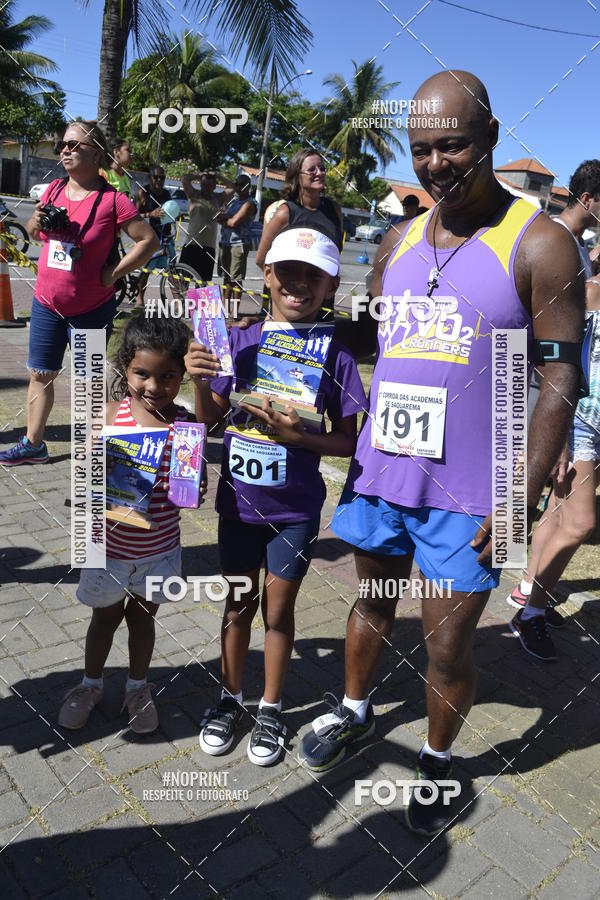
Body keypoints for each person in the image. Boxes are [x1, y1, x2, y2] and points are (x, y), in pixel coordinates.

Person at [298, 71, 585, 836]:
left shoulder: (543, 244)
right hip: (383, 470)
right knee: (371, 603)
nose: (435, 165)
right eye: (422, 149)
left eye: (452, 145)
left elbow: (561, 374)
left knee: (449, 642)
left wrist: (522, 490)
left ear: (490, 138)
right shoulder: (398, 239)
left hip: (479, 490)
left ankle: (438, 763)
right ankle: (356, 710)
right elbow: (367, 338)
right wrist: (278, 344)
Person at [186, 227, 367, 765]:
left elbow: (350, 438)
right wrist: (199, 380)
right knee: (236, 603)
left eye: (314, 275)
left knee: (278, 609)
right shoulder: (237, 341)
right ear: (267, 274)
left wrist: (300, 437)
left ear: (332, 284)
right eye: (288, 270)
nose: (299, 283)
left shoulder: (336, 354)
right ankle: (228, 698)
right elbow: (209, 420)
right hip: (237, 504)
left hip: (295, 510)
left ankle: (269, 707)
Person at [57, 316, 202, 733]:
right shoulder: (107, 418)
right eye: (142, 374)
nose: (154, 386)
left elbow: (184, 497)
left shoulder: (186, 427)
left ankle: (137, 687)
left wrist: (193, 483)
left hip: (158, 552)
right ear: (125, 368)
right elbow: (82, 480)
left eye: (168, 376)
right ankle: (90, 685)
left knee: (142, 622)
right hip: (108, 551)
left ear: (182, 377)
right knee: (103, 621)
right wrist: (92, 465)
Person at [0, 121, 158, 467]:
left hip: (91, 308)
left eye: (74, 144)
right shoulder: (54, 190)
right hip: (46, 303)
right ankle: (33, 443)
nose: (65, 150)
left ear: (96, 153)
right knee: (40, 374)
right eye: (62, 145)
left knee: (88, 382)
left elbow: (149, 241)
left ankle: (91, 446)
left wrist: (113, 275)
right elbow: (32, 231)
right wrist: (36, 221)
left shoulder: (113, 201)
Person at [508, 202, 600, 663]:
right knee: (580, 522)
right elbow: (559, 364)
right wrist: (560, 434)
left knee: (560, 513)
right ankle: (531, 613)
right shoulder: (589, 292)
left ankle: (526, 591)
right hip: (581, 417)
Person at [256, 150, 344, 269]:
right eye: (311, 170)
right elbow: (261, 259)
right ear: (297, 176)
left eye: (322, 168)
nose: (319, 173)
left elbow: (335, 254)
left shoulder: (334, 209)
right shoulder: (285, 213)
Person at [179, 170, 234, 282]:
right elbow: (185, 179)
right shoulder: (193, 195)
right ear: (200, 184)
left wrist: (218, 175)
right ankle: (181, 300)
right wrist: (200, 175)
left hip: (208, 247)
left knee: (203, 283)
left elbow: (232, 187)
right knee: (182, 280)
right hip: (192, 244)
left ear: (214, 186)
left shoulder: (218, 198)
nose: (206, 187)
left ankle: (196, 300)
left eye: (210, 185)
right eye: (204, 184)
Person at [134, 165, 175, 307]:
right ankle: (139, 298)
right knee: (146, 270)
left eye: (162, 177)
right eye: (155, 177)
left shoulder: (166, 194)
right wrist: (150, 214)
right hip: (148, 238)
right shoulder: (142, 192)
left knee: (173, 270)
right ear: (149, 178)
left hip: (166, 236)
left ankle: (177, 302)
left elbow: (171, 212)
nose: (159, 180)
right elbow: (133, 215)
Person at [216, 173, 257, 305]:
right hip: (225, 243)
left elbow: (233, 223)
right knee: (226, 279)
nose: (238, 187)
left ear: (249, 187)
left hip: (238, 245)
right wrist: (224, 217)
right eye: (236, 184)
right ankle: (225, 309)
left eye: (242, 185)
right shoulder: (234, 201)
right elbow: (221, 215)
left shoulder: (250, 204)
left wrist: (223, 219)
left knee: (236, 280)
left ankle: (234, 313)